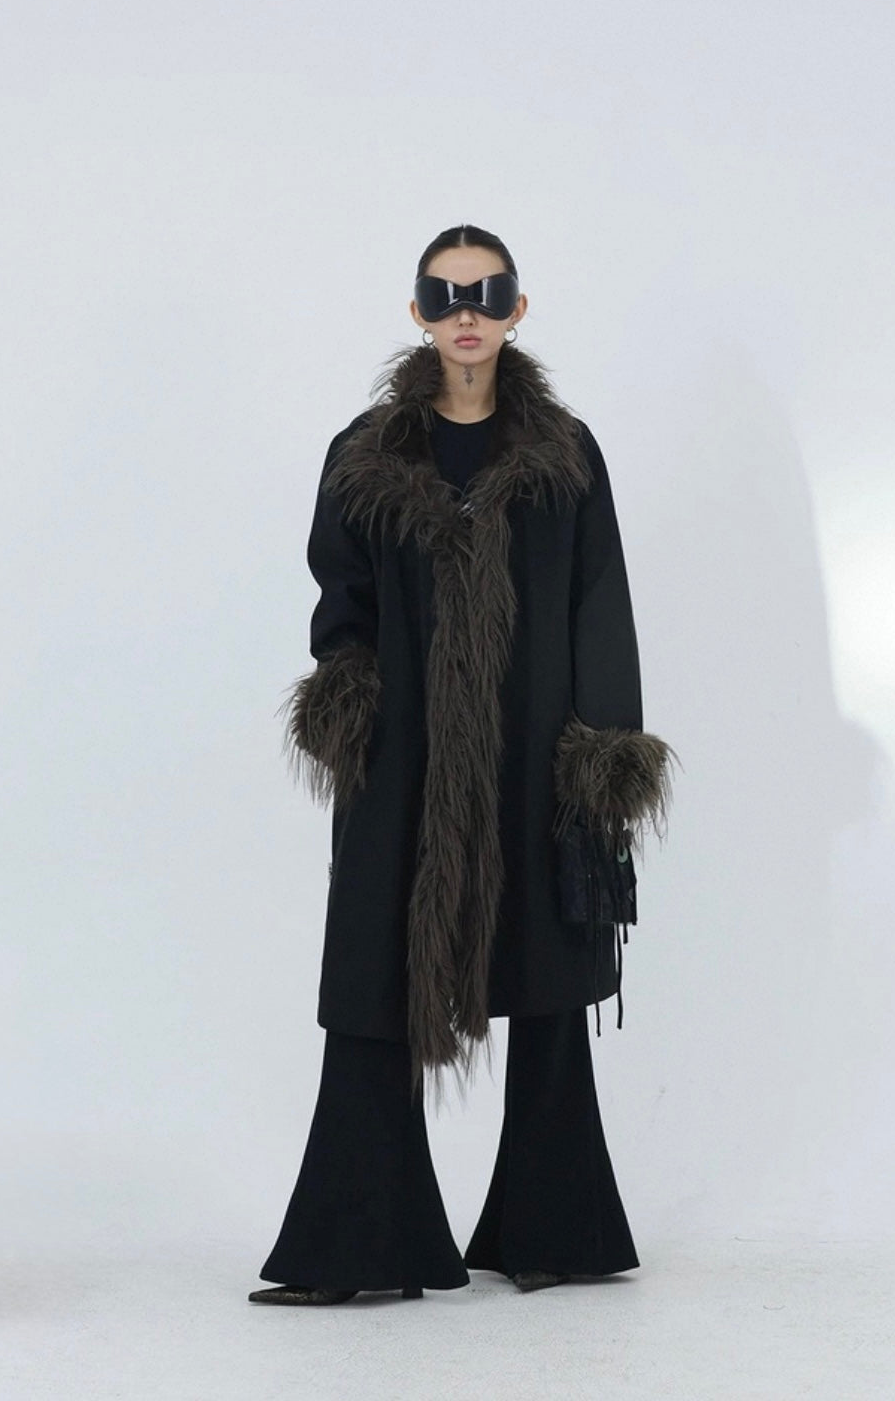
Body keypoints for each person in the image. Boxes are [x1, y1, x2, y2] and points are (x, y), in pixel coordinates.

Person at [249, 224, 676, 1306]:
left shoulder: (566, 454)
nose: (466, 314)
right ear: (419, 315)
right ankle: (363, 1245)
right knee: (372, 980)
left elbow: (600, 604)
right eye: (444, 297)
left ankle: (555, 1230)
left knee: (549, 984)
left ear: (517, 310)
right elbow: (340, 599)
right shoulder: (366, 453)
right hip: (401, 758)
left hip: (536, 753)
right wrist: (351, 707)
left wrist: (600, 753)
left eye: (486, 294)